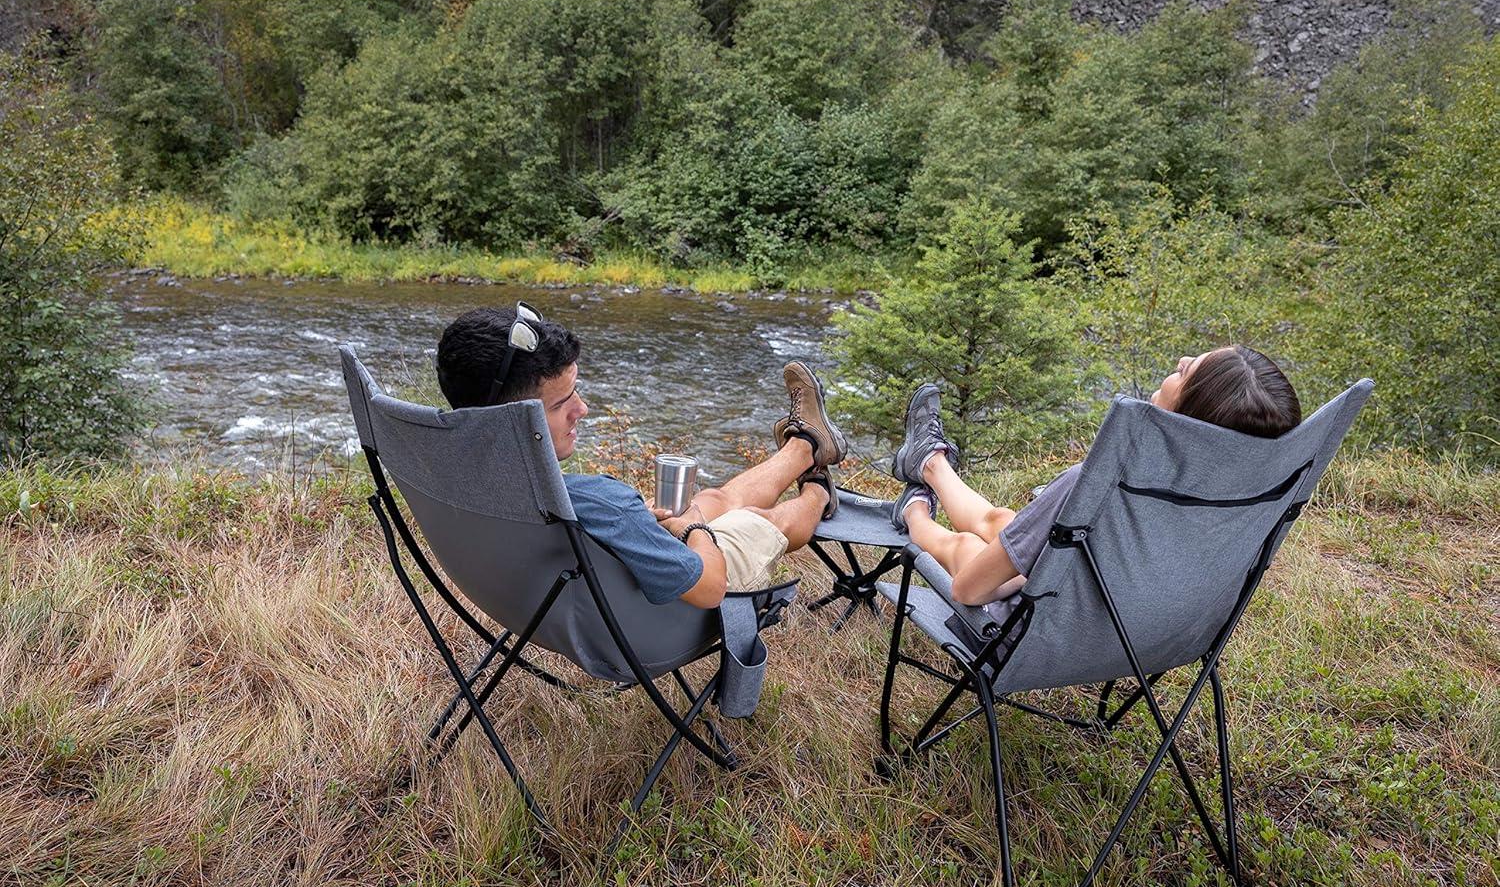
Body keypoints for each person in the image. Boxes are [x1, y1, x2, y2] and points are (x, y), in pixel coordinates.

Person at [435, 303, 850, 610]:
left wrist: (657, 524)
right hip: (661, 618)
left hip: (552, 602)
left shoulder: (451, 472)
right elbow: (709, 589)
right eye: (563, 402)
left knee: (713, 501)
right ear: (510, 421)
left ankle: (805, 446)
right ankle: (817, 487)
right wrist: (692, 532)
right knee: (753, 521)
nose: (583, 409)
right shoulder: (600, 503)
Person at [889, 345, 1304, 621]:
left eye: (1184, 370)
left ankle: (914, 510)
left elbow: (967, 589)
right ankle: (930, 463)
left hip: (1048, 624)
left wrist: (1013, 578)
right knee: (1005, 522)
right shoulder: (1246, 500)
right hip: (1145, 632)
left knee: (971, 549)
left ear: (1190, 408)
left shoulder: (1097, 487)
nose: (1177, 362)